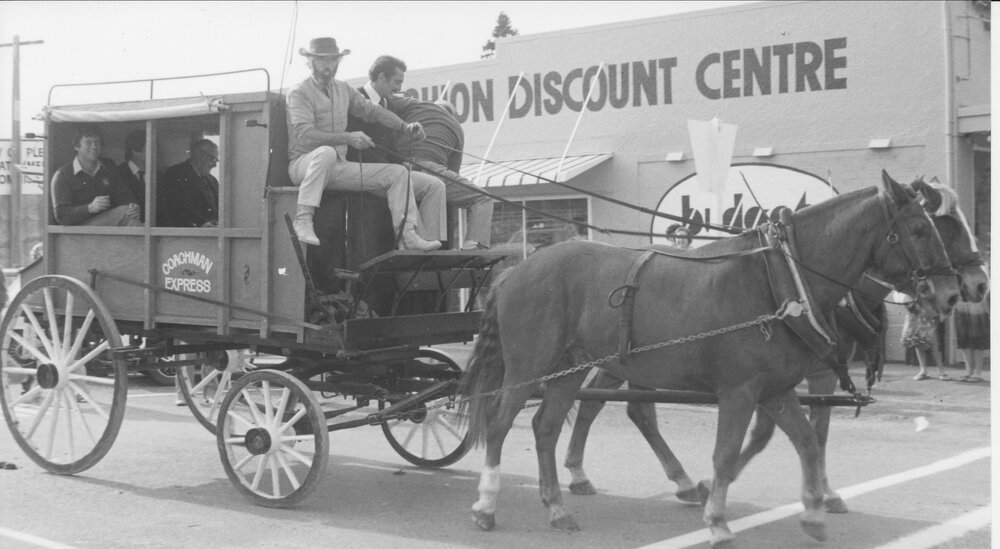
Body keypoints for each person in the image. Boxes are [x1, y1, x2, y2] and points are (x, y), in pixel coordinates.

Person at [286, 37, 445, 251]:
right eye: (323, 60)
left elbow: (373, 111)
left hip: (337, 167)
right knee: (326, 153)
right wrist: (347, 137)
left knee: (398, 173)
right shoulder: (299, 92)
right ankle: (303, 218)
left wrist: (405, 127)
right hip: (304, 166)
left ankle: (407, 236)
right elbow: (304, 134)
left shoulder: (343, 89)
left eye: (333, 60)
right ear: (310, 61)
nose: (329, 66)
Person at [387, 95, 494, 250]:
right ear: (453, 115)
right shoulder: (456, 128)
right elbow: (453, 171)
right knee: (483, 198)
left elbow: (385, 101)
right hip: (431, 170)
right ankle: (474, 246)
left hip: (397, 168)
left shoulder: (416, 105)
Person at [51, 124, 141, 227]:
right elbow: (61, 215)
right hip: (77, 231)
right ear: (76, 146)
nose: (94, 147)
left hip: (107, 227)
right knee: (124, 212)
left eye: (97, 142)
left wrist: (133, 206)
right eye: (88, 142)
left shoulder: (109, 166)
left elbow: (123, 194)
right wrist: (89, 208)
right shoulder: (62, 175)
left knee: (130, 214)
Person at [345, 55, 408, 164]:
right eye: (397, 82)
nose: (399, 89)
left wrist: (403, 163)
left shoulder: (389, 104)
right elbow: (355, 152)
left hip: (388, 169)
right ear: (382, 77)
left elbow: (390, 149)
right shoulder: (355, 101)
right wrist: (394, 168)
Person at [157, 139, 220, 228]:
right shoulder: (175, 174)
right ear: (200, 155)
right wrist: (202, 223)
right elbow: (177, 205)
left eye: (216, 161)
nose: (215, 165)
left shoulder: (213, 181)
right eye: (213, 159)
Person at [954, 250, 989, 383]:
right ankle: (969, 371)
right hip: (961, 305)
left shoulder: (979, 268)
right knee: (963, 338)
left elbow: (982, 290)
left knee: (977, 338)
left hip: (977, 305)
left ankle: (978, 372)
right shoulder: (957, 269)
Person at [902, 299, 949, 381]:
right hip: (915, 316)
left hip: (929, 314)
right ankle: (923, 370)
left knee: (934, 343)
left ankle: (941, 371)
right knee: (918, 342)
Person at [118, 130, 147, 221]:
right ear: (135, 150)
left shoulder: (158, 176)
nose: (155, 152)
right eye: (148, 148)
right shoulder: (118, 173)